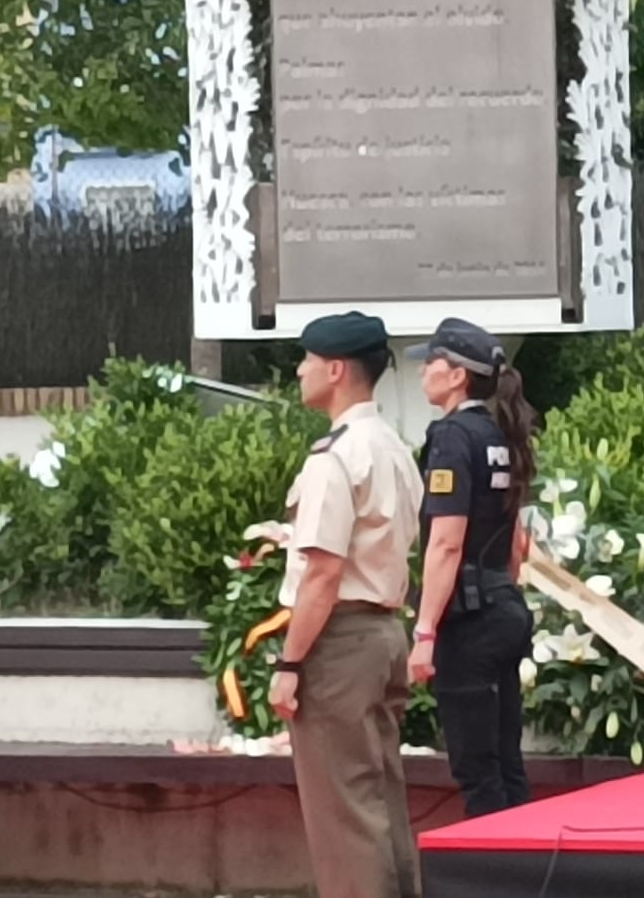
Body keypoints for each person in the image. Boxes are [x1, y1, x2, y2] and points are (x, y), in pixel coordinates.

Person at [268, 312, 423, 898]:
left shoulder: (334, 455)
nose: (300, 370)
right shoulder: (393, 447)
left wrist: (288, 664)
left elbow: (323, 573)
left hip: (339, 644)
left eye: (306, 359)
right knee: (382, 801)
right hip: (384, 634)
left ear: (335, 370)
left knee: (343, 818)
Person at [404, 318, 537, 818]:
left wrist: (424, 631)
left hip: (471, 620)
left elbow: (445, 544)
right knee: (506, 763)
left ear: (458, 376)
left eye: (432, 363)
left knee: (478, 771)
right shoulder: (501, 434)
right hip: (504, 609)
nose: (423, 373)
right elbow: (516, 544)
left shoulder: (454, 437)